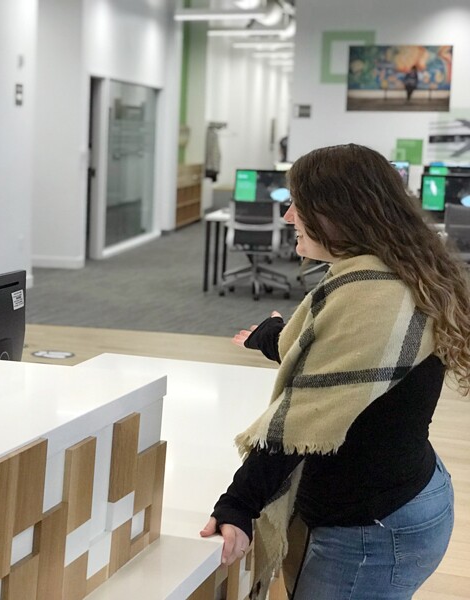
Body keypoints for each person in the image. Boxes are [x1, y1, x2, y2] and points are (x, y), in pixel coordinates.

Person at [199, 144, 470, 599]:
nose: (287, 217)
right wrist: (272, 336)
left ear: (337, 213)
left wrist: (239, 504)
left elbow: (307, 414)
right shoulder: (395, 268)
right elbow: (341, 356)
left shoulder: (371, 296)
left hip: (372, 529)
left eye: (298, 205)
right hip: (404, 495)